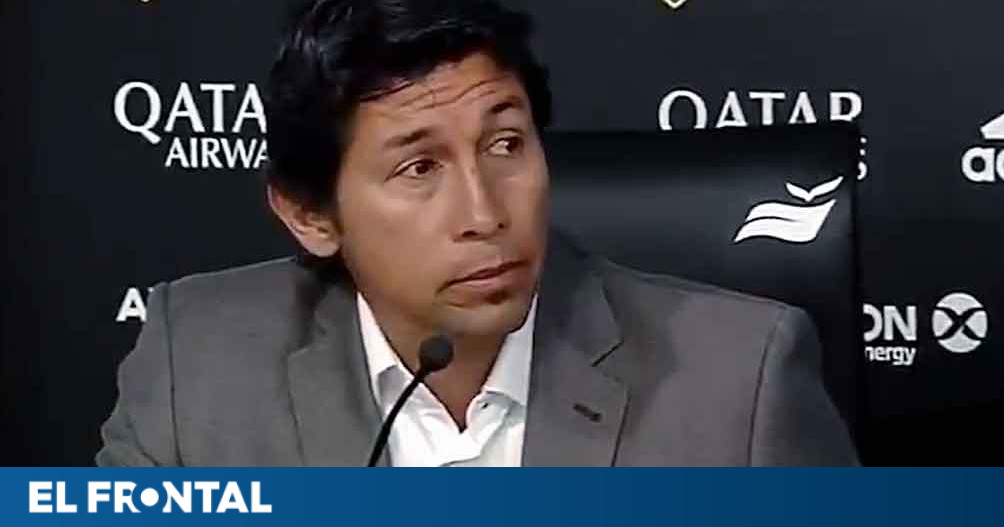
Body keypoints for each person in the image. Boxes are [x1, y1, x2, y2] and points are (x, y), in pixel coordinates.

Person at [96, 0, 857, 466]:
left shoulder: (739, 386)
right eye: (419, 167)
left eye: (506, 144)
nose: (485, 213)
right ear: (311, 216)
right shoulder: (197, 367)